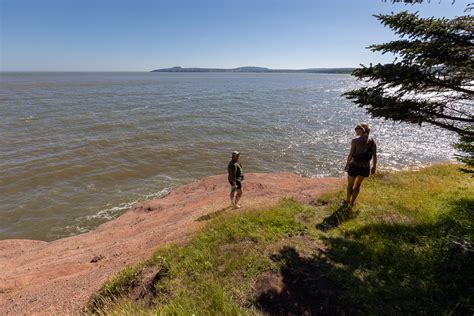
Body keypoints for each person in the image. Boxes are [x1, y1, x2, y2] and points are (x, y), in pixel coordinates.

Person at [344, 122, 377, 207]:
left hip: (354, 165)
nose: (355, 129)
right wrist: (374, 167)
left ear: (362, 130)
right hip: (365, 167)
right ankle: (352, 203)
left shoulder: (355, 140)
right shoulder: (372, 141)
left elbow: (351, 154)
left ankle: (347, 200)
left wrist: (347, 164)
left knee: (350, 185)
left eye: (357, 128)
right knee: (358, 185)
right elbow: (374, 155)